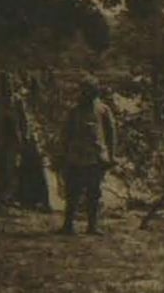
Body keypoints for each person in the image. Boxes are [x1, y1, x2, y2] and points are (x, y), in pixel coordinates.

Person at [59, 74, 117, 236]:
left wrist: (111, 155)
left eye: (90, 90)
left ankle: (93, 226)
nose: (86, 94)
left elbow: (111, 134)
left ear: (95, 92)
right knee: (73, 193)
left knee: (94, 192)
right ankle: (68, 225)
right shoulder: (74, 111)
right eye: (84, 91)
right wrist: (64, 153)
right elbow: (65, 134)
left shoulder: (103, 109)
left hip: (96, 158)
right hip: (76, 157)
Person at [0, 72, 30, 213]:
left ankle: (7, 199)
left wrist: (25, 137)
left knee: (10, 170)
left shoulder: (17, 101)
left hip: (12, 141)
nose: (7, 87)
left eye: (9, 83)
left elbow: (24, 121)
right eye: (4, 84)